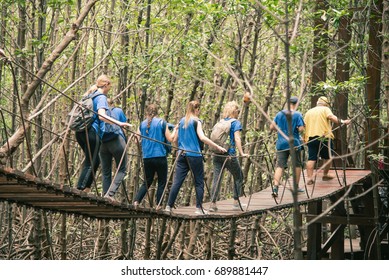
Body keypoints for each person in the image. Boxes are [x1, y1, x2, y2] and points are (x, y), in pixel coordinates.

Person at [164, 100, 226, 215]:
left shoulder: (182, 121)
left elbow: (175, 140)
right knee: (199, 182)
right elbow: (202, 138)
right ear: (196, 109)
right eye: (199, 110)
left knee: (177, 181)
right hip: (194, 155)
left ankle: (169, 206)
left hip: (181, 155)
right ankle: (199, 208)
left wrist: (179, 149)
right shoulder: (197, 121)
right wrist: (217, 146)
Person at [75, 74, 131, 194]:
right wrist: (119, 123)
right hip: (92, 132)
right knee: (93, 162)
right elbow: (101, 116)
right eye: (109, 88)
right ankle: (81, 189)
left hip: (80, 132)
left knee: (91, 161)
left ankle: (84, 188)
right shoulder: (101, 97)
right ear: (106, 85)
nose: (108, 91)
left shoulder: (88, 96)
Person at [133, 104, 176, 209]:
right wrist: (176, 129)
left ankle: (136, 201)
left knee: (147, 181)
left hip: (147, 157)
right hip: (160, 156)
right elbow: (170, 139)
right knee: (162, 181)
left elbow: (136, 140)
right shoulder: (162, 122)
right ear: (157, 112)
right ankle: (158, 205)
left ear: (147, 112)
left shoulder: (142, 124)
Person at [209, 101, 248, 212]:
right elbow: (237, 138)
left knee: (217, 179)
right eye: (238, 111)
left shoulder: (221, 122)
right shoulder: (235, 123)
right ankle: (236, 202)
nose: (239, 113)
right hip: (229, 155)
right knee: (239, 176)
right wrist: (241, 153)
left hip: (217, 154)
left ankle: (212, 204)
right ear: (234, 112)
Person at [304, 96, 351, 185]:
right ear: (326, 104)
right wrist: (342, 122)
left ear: (317, 103)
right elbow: (331, 117)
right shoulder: (325, 109)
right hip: (324, 137)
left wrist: (304, 138)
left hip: (311, 138)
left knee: (311, 158)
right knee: (329, 157)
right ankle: (325, 174)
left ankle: (309, 178)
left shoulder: (308, 112)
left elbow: (304, 125)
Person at [270, 96, 305, 197]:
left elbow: (272, 127)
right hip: (293, 143)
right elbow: (301, 129)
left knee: (280, 166)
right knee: (297, 165)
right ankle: (296, 187)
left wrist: (280, 130)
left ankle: (275, 188)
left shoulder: (279, 114)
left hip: (281, 144)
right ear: (296, 104)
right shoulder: (297, 114)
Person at [99, 98, 129, 202]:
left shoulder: (99, 111)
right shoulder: (118, 111)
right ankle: (110, 194)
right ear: (113, 104)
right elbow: (123, 126)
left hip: (103, 143)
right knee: (122, 169)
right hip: (117, 141)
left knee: (106, 171)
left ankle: (105, 194)